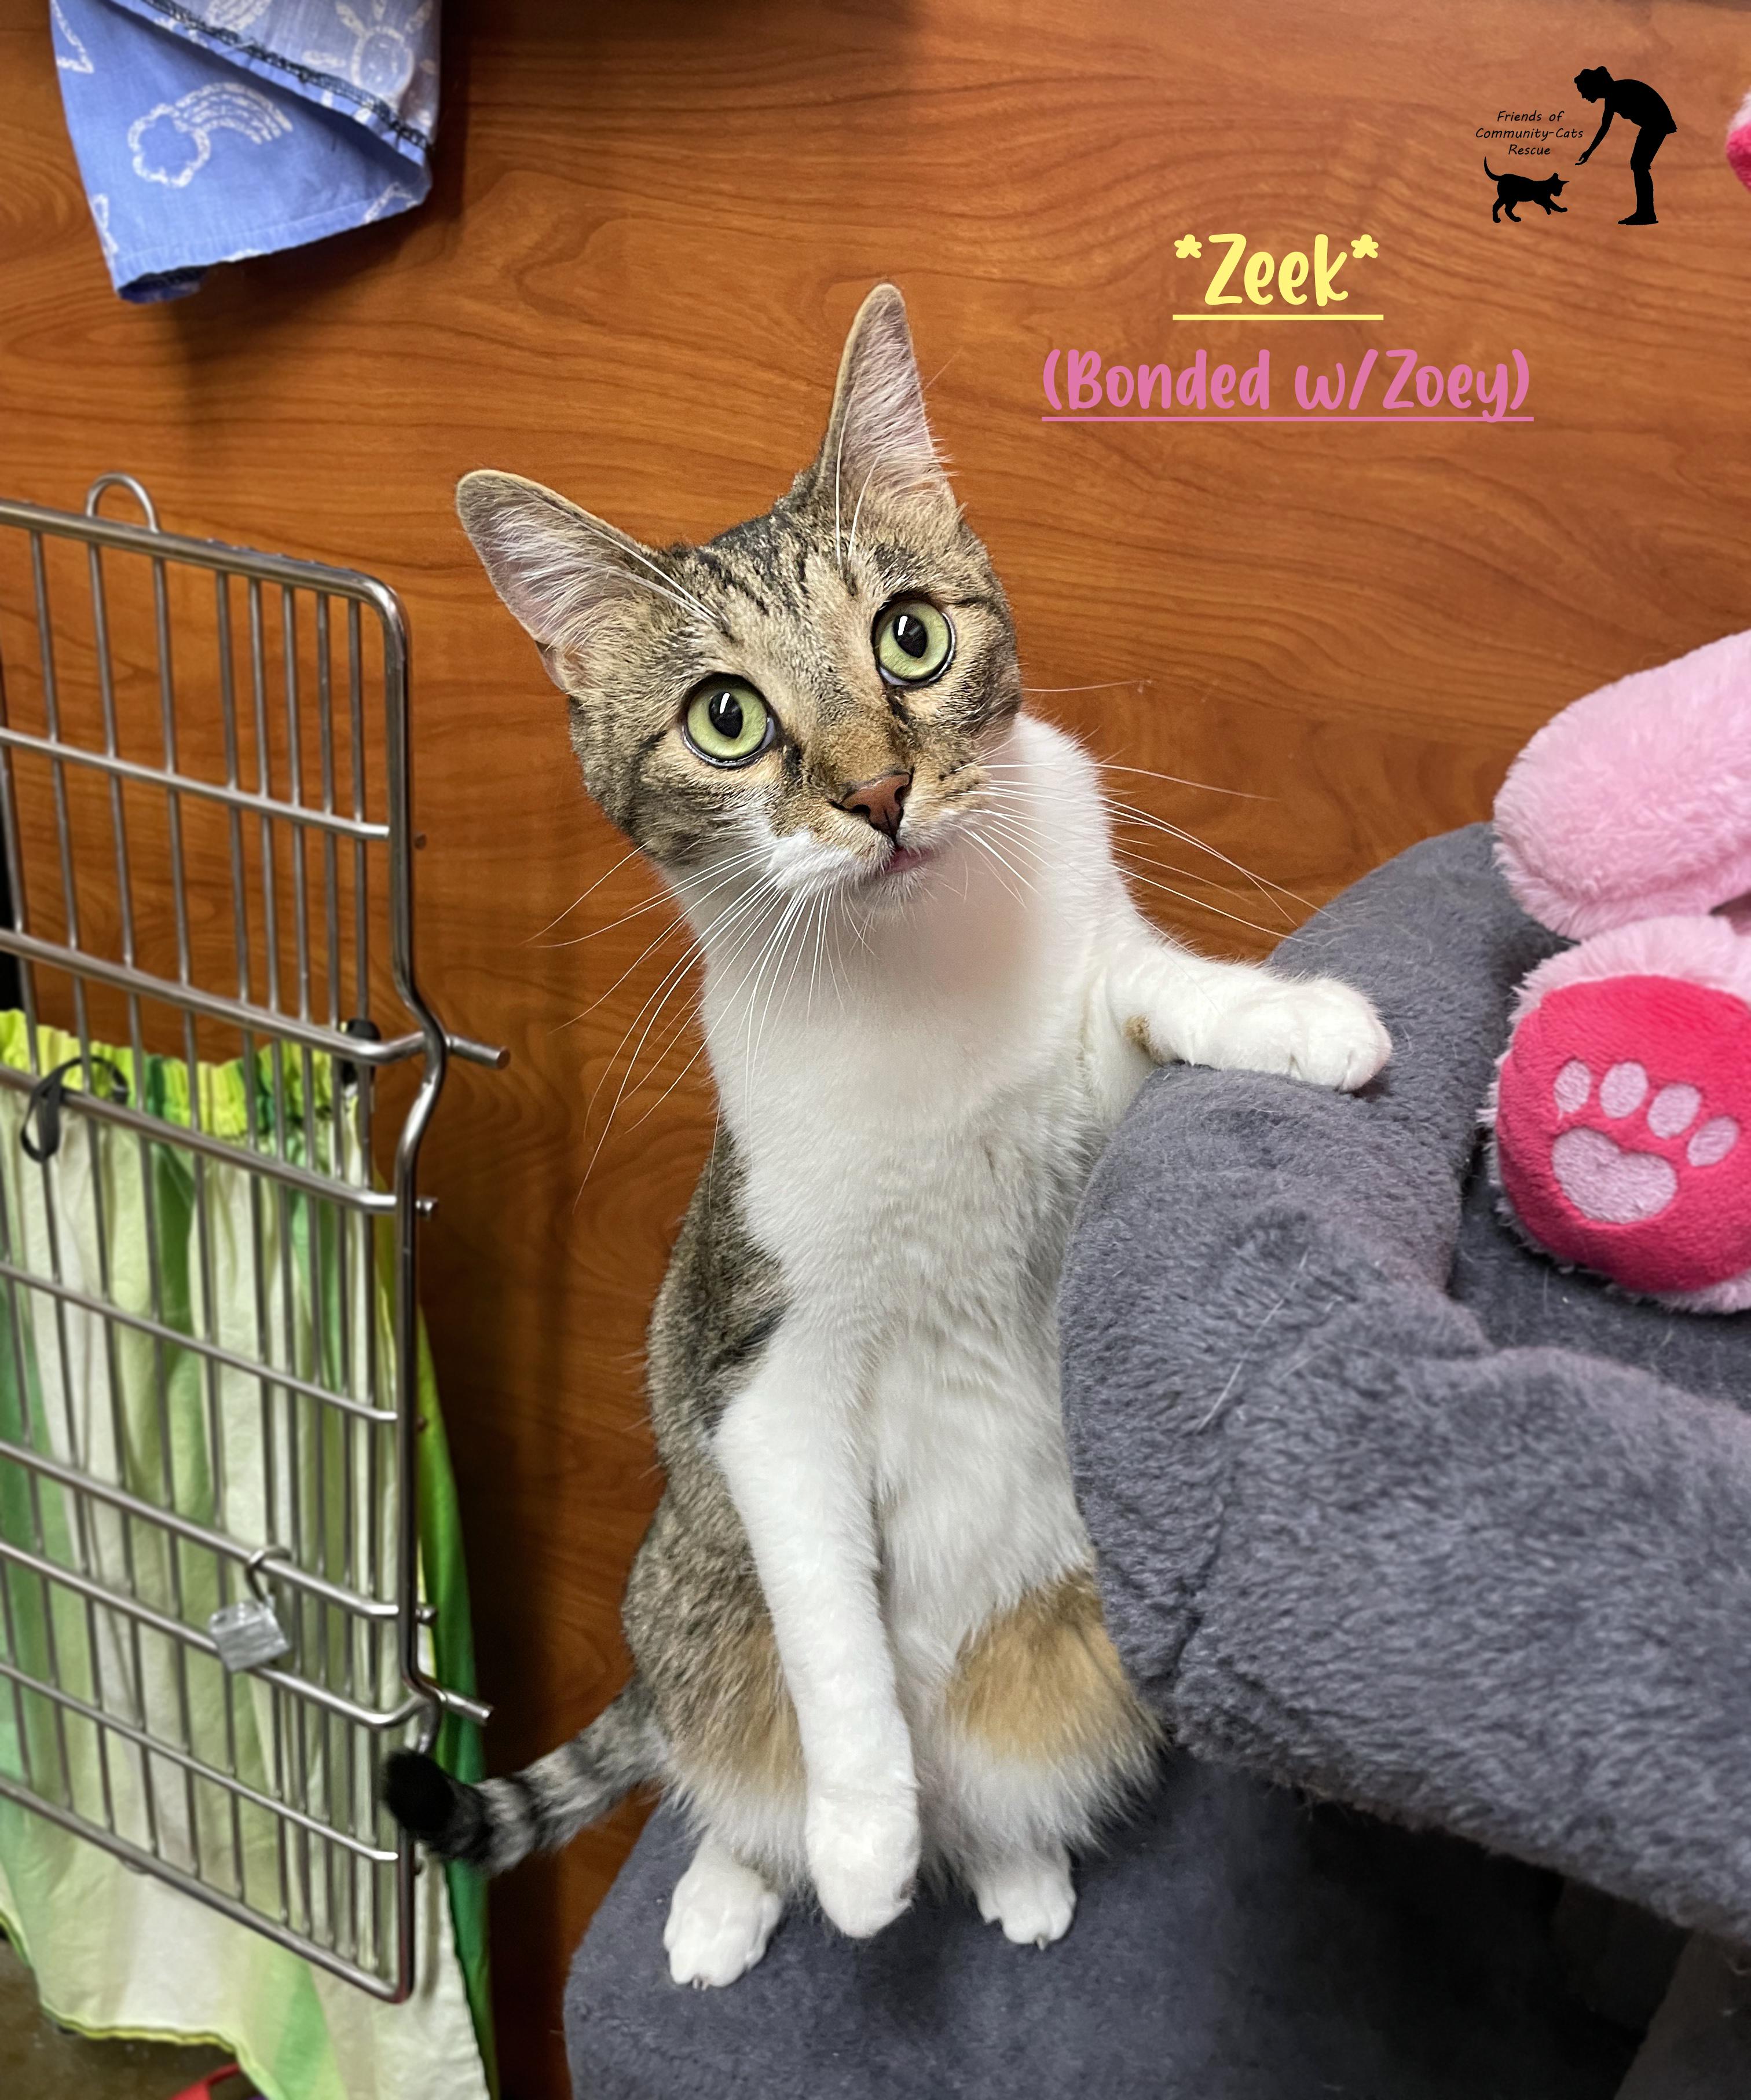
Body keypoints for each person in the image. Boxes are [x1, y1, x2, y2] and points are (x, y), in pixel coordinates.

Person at [1574, 67, 1676, 224]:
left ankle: (1646, 214)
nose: (1583, 96)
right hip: (1653, 125)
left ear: (1593, 86)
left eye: (1583, 91)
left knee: (1639, 165)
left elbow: (1604, 127)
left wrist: (1589, 152)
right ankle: (1646, 212)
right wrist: (1589, 152)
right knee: (1638, 165)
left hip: (1656, 123)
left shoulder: (1616, 93)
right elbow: (1604, 127)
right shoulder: (1613, 95)